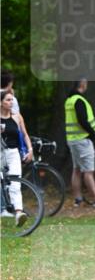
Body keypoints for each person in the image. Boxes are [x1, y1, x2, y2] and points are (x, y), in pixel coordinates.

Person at [64, 79, 95, 208]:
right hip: (82, 139)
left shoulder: (69, 100)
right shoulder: (79, 100)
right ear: (83, 85)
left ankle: (78, 199)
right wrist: (92, 133)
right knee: (88, 171)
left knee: (77, 169)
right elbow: (82, 120)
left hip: (72, 139)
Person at [0, 88, 33, 226]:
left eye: (12, 99)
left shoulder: (17, 117)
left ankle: (19, 213)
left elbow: (25, 134)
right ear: (1, 103)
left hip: (13, 153)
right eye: (8, 99)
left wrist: (30, 150)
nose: (11, 101)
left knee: (15, 183)